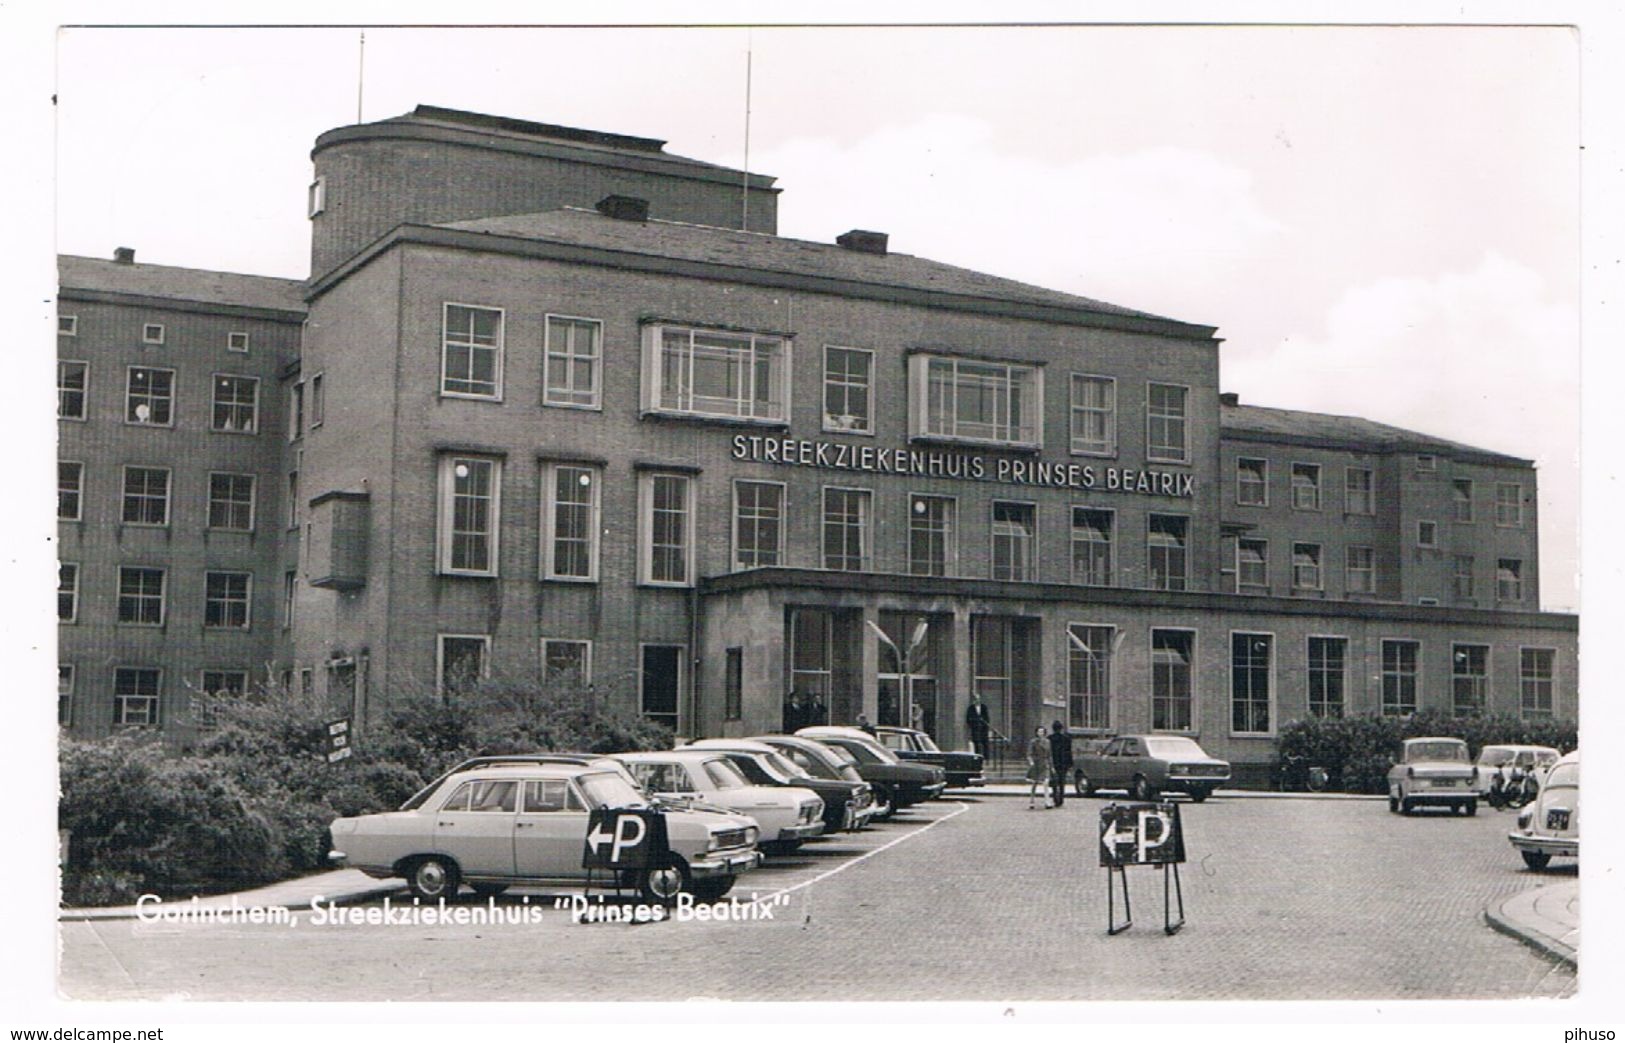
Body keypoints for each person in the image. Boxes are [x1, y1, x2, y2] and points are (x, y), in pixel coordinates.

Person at [1049, 720, 1073, 808]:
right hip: (1063, 763)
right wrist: (1070, 764)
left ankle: (1055, 797)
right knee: (1062, 781)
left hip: (1054, 762)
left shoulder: (1050, 739)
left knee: (1054, 781)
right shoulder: (1066, 739)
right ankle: (1061, 798)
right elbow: (1069, 752)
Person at [1026, 726, 1051, 809]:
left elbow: (1049, 754)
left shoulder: (1047, 742)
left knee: (1046, 782)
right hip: (1036, 763)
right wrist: (1031, 762)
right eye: (1039, 732)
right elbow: (1029, 753)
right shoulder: (1033, 742)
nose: (1041, 733)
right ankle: (1032, 801)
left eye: (1042, 732)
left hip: (1044, 763)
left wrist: (1051, 764)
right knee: (1034, 783)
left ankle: (1047, 801)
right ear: (1036, 733)